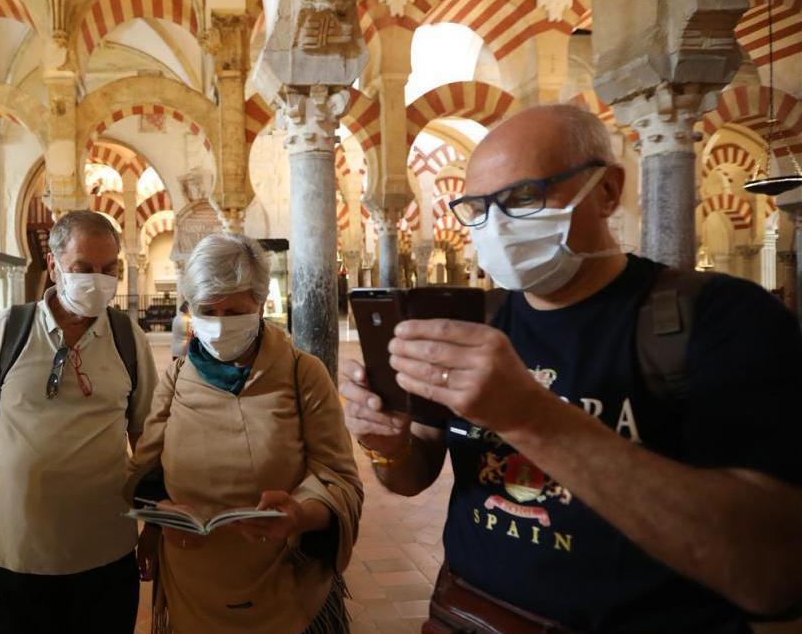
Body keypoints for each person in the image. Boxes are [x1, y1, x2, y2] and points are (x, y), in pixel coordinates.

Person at [339, 104, 802, 631]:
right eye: (477, 208)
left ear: (607, 191)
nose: (497, 224)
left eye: (522, 197)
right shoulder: (478, 323)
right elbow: (411, 476)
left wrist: (530, 416)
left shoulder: (722, 319)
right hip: (470, 617)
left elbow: (772, 574)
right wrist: (388, 444)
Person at [127, 233, 362, 634]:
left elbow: (339, 481)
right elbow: (143, 472)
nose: (219, 324)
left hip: (286, 589)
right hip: (192, 588)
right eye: (207, 310)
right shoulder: (176, 377)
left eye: (234, 311)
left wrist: (299, 514)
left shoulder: (302, 373)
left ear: (260, 303)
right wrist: (160, 511)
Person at [0, 210, 157, 634]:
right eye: (84, 268)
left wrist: (154, 525)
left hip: (107, 551)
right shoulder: (8, 331)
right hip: (18, 554)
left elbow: (146, 439)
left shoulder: (126, 336)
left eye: (109, 270)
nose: (98, 280)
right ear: (52, 264)